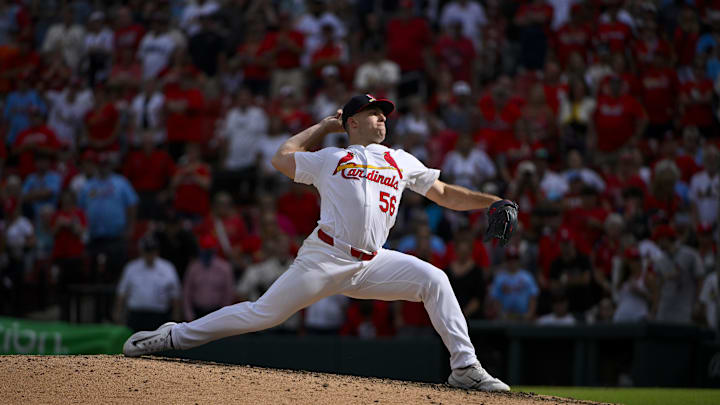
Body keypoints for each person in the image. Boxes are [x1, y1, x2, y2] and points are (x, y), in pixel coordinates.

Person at [122, 94, 515, 392]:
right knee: (263, 314)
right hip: (324, 257)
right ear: (352, 122)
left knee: (435, 280)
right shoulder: (332, 158)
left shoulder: (400, 160)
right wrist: (323, 127)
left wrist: (491, 202)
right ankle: (174, 335)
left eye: (384, 113)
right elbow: (281, 158)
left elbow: (444, 192)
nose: (382, 117)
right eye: (374, 112)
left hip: (372, 262)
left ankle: (464, 368)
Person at [114, 235, 182, 332]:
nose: (150, 255)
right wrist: (118, 313)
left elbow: (175, 295)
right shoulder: (131, 268)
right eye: (147, 251)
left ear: (157, 251)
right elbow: (122, 293)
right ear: (141, 251)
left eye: (152, 251)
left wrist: (176, 318)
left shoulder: (167, 268)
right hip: (136, 316)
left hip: (159, 316)